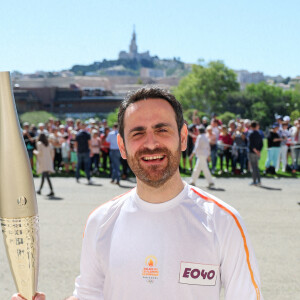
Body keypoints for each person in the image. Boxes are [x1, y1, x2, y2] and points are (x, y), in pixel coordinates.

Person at [17, 87, 263, 300]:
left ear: (184, 137)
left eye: (162, 130)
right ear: (122, 146)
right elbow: (88, 294)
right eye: (137, 133)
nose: (151, 143)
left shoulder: (223, 221)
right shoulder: (101, 221)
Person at [248, 121, 263, 186]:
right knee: (256, 167)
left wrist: (255, 151)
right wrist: (258, 151)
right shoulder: (259, 134)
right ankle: (259, 180)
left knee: (253, 167)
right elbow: (261, 144)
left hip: (252, 152)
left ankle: (254, 181)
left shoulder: (251, 134)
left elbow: (251, 144)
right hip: (257, 152)